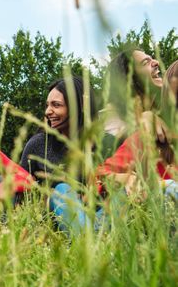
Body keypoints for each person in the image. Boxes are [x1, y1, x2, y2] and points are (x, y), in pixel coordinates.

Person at [49, 60, 178, 236]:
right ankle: (90, 241)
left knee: (169, 188)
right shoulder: (147, 137)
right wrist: (126, 179)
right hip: (113, 212)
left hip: (127, 220)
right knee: (61, 190)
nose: (48, 111)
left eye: (56, 105)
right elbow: (99, 176)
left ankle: (89, 242)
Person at [20, 77, 97, 185]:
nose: (47, 111)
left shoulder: (101, 144)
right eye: (47, 105)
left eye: (56, 105)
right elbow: (20, 184)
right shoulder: (38, 144)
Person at [103, 46, 163, 137]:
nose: (156, 62)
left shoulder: (167, 105)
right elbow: (111, 141)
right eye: (146, 62)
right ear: (129, 80)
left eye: (152, 59)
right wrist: (143, 120)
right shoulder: (112, 114)